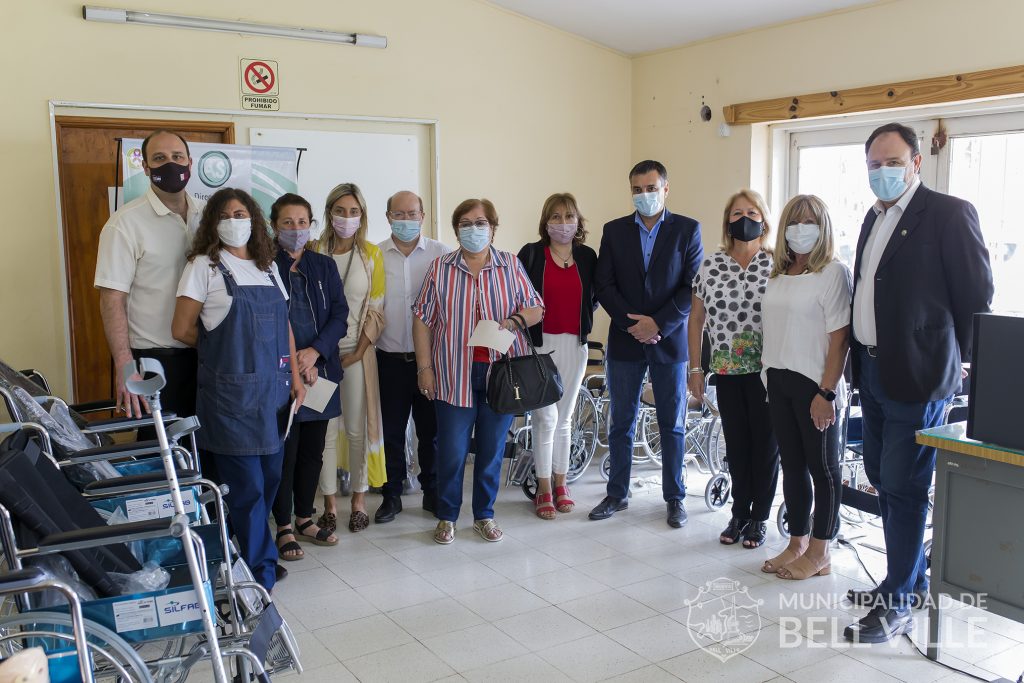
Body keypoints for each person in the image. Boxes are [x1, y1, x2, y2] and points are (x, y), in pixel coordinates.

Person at [843, 123, 993, 644]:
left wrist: (973, 373)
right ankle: (906, 580)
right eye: (873, 165)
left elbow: (976, 299)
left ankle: (899, 603)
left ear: (916, 163)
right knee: (884, 481)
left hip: (919, 376)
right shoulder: (872, 216)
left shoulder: (949, 215)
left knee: (904, 489)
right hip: (872, 372)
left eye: (891, 162)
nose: (882, 172)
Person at [171, 188, 305, 592]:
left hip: (274, 395)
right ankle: (260, 579)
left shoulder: (267, 266)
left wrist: (296, 377)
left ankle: (244, 559)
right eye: (226, 214)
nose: (235, 219)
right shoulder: (204, 266)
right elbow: (180, 329)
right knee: (246, 492)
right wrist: (226, 352)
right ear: (213, 221)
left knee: (267, 484)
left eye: (241, 212)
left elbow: (284, 325)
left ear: (254, 220)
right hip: (231, 399)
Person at [413, 199, 543, 545]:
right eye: (466, 223)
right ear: (456, 230)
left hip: (501, 376)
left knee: (491, 450)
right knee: (452, 451)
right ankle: (447, 516)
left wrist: (514, 320)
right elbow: (422, 320)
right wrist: (424, 368)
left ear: (493, 227)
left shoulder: (510, 265)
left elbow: (536, 308)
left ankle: (484, 515)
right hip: (453, 373)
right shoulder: (441, 268)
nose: (474, 229)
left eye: (480, 222)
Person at [590, 160, 703, 528]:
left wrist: (659, 323)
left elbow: (690, 287)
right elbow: (604, 285)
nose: (644, 195)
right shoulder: (614, 231)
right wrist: (631, 324)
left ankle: (675, 497)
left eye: (651, 188)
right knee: (621, 421)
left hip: (669, 342)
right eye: (637, 189)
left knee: (672, 424)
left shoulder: (688, 230)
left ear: (665, 189)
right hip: (625, 341)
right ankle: (617, 493)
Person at [759, 194, 850, 581]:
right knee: (792, 468)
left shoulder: (832, 272)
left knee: (823, 470)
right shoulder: (779, 273)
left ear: (823, 226)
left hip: (815, 387)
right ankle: (797, 541)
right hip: (778, 381)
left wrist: (826, 393)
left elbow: (840, 337)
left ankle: (820, 551)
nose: (800, 228)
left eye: (809, 221)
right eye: (794, 221)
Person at [688, 189, 779, 548]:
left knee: (765, 445)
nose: (745, 218)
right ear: (727, 221)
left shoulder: (778, 264)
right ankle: (739, 511)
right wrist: (696, 369)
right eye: (737, 212)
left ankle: (759, 518)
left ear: (764, 219)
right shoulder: (711, 264)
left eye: (752, 211)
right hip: (726, 370)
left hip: (769, 373)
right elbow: (696, 320)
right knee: (737, 445)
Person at [95, 130, 204, 426]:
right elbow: (111, 299)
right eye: (159, 158)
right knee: (164, 457)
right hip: (157, 363)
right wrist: (124, 365)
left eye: (177, 157)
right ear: (145, 168)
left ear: (190, 163)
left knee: (206, 457)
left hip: (208, 357)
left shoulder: (207, 215)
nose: (171, 164)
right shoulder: (124, 224)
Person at [269, 193, 349, 562]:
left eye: (303, 222)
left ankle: (305, 517)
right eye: (288, 222)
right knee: (287, 451)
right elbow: (267, 320)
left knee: (313, 452)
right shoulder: (264, 265)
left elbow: (339, 315)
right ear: (274, 226)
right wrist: (294, 361)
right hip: (281, 374)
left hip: (321, 372)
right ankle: (282, 524)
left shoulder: (323, 266)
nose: (296, 230)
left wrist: (316, 352)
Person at [517, 193, 598, 519]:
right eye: (556, 217)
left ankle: (562, 484)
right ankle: (544, 488)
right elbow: (518, 294)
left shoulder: (588, 257)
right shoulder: (532, 254)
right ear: (545, 222)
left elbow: (592, 298)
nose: (562, 224)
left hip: (574, 346)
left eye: (568, 217)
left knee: (565, 419)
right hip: (540, 345)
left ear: (578, 221)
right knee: (545, 418)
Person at [374, 191, 451, 523]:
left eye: (412, 213)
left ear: (423, 215)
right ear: (388, 216)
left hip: (429, 363)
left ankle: (432, 491)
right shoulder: (374, 255)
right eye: (399, 214)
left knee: (430, 432)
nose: (406, 220)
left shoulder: (442, 254)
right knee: (390, 431)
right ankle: (391, 495)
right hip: (388, 359)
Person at [316, 183, 387, 534]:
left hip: (357, 353)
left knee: (358, 430)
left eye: (353, 211)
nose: (347, 218)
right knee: (325, 431)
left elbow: (376, 310)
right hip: (319, 357)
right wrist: (318, 353)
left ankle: (359, 501)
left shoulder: (371, 255)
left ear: (362, 216)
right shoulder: (314, 251)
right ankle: (328, 504)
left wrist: (357, 352)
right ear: (329, 212)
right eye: (340, 211)